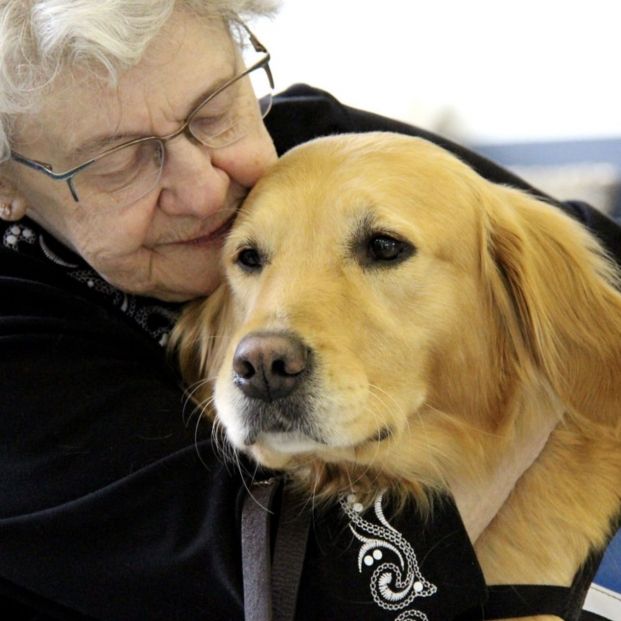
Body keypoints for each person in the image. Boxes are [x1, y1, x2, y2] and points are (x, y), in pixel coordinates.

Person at [0, 2, 619, 620]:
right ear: (8, 184)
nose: (206, 191)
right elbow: (307, 584)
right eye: (118, 160)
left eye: (213, 113)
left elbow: (592, 320)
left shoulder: (310, 143)